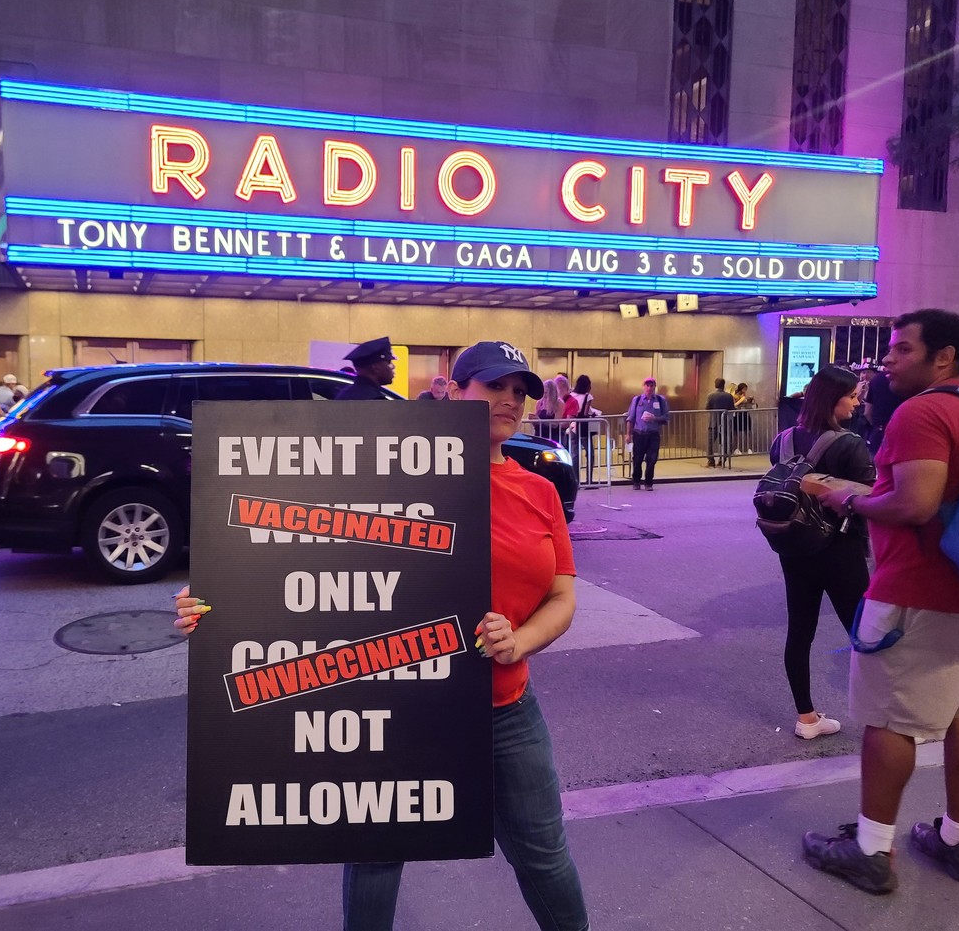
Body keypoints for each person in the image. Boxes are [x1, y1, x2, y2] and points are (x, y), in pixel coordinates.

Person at [176, 340, 591, 931]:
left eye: (520, 392)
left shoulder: (538, 490)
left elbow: (562, 596)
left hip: (505, 709)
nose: (510, 401)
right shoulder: (380, 463)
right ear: (454, 391)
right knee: (377, 853)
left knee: (544, 857)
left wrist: (519, 641)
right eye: (495, 386)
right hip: (396, 699)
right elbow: (298, 561)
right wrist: (215, 609)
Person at [803, 309, 959, 894]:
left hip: (915, 590)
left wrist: (849, 501)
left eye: (901, 349)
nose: (888, 360)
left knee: (887, 721)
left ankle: (871, 850)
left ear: (942, 357)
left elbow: (916, 503)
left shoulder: (926, 410)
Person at [768, 365, 875, 741]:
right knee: (863, 634)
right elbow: (869, 496)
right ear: (834, 399)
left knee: (800, 631)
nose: (856, 402)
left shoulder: (782, 440)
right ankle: (888, 719)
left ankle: (807, 718)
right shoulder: (849, 443)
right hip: (840, 548)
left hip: (794, 547)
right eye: (851, 396)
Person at [624, 377, 669, 491]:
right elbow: (631, 418)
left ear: (654, 387)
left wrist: (655, 418)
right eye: (647, 385)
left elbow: (666, 418)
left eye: (651, 385)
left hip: (653, 434)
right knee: (637, 459)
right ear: (643, 387)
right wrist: (628, 434)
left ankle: (648, 482)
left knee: (652, 458)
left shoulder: (660, 400)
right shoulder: (637, 400)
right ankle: (636, 481)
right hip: (639, 433)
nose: (649, 388)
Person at [862, 360, 903, 456]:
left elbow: (867, 412)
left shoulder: (876, 380)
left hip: (878, 433)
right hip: (903, 433)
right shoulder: (911, 380)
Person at [564, 374, 600, 482]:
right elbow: (586, 412)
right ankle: (589, 479)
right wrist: (594, 414)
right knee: (590, 453)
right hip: (583, 427)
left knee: (574, 454)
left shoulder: (571, 395)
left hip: (572, 426)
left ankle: (576, 480)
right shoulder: (588, 397)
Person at [705, 377, 736, 466]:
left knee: (710, 441)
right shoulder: (728, 396)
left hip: (713, 421)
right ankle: (723, 460)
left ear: (715, 385)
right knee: (725, 440)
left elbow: (707, 407)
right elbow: (732, 408)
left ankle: (711, 460)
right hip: (725, 421)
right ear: (723, 385)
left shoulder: (710, 395)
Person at [732, 382, 755, 454]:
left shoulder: (744, 397)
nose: (745, 391)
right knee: (736, 432)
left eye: (746, 389)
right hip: (737, 415)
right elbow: (734, 405)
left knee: (748, 432)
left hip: (745, 414)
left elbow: (749, 405)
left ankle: (749, 448)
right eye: (744, 389)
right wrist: (742, 399)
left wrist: (750, 401)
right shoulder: (735, 396)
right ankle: (736, 448)